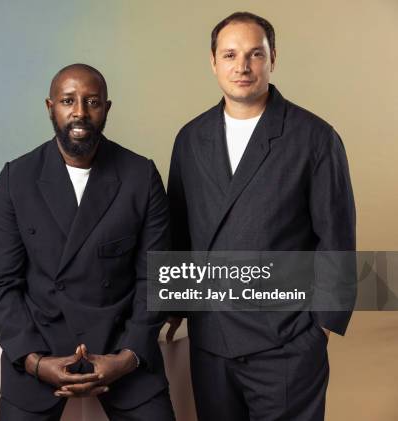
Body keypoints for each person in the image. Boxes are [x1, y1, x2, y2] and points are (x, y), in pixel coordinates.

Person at [166, 12, 356, 421]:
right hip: (210, 343)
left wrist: (318, 329)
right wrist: (176, 304)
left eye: (255, 53)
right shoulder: (190, 138)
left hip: (287, 344)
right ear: (213, 62)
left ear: (273, 58)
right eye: (230, 54)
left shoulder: (315, 138)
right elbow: (178, 232)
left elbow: (337, 239)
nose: (242, 66)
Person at [0, 63, 175, 420]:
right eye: (68, 101)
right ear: (50, 106)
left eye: (92, 102)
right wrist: (34, 362)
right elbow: (2, 283)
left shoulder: (140, 175)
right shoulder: (17, 178)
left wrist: (129, 356)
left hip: (120, 342)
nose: (80, 112)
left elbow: (156, 278)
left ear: (107, 108)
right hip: (40, 345)